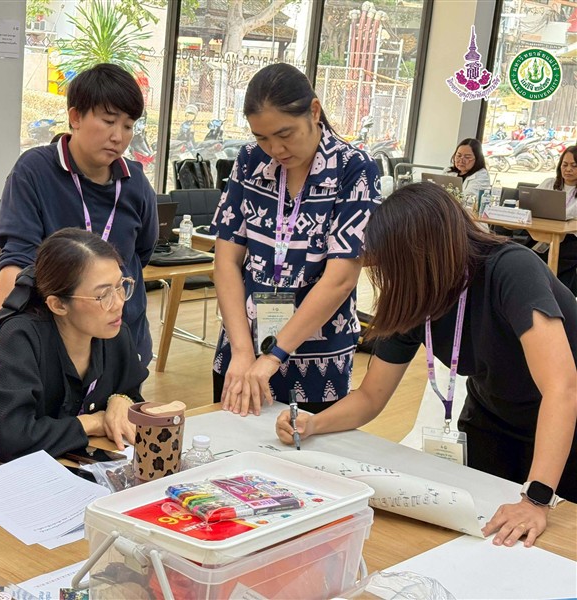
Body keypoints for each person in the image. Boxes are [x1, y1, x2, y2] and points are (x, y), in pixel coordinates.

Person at [276, 182, 577, 548]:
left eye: (394, 264)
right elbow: (371, 396)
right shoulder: (417, 294)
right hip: (494, 415)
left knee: (554, 539)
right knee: (483, 531)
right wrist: (313, 423)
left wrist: (536, 498)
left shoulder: (512, 269)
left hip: (566, 420)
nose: (391, 278)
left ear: (424, 253)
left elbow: (561, 388)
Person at [0, 64, 158, 373]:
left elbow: (141, 253)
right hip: (53, 339)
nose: (118, 137)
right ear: (75, 117)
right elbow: (18, 261)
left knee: (120, 405)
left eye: (128, 126)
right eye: (108, 121)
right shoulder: (35, 171)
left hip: (122, 337)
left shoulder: (135, 182)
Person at [211, 63, 381, 416]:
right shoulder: (249, 161)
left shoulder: (354, 169)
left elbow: (341, 279)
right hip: (243, 350)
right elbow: (226, 261)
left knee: (304, 447)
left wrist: (274, 355)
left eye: (285, 134)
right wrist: (242, 351)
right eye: (262, 137)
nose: (275, 148)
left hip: (316, 362)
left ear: (314, 111)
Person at [0, 228, 148, 465]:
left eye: (120, 286)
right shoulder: (21, 337)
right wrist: (93, 422)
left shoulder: (114, 332)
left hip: (89, 469)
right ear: (58, 305)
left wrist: (121, 400)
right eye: (103, 295)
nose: (119, 303)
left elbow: (130, 390)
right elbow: (9, 440)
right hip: (21, 478)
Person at [530, 145, 577, 294]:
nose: (568, 169)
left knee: (559, 261)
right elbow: (530, 203)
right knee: (525, 254)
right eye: (565, 164)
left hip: (570, 240)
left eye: (574, 166)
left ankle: (556, 296)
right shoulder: (549, 183)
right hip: (541, 235)